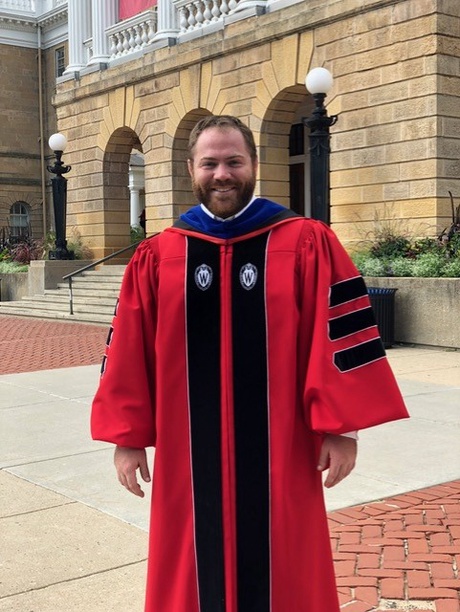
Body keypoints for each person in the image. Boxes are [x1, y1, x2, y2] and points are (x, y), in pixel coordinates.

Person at [91, 115, 409, 612]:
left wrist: (342, 428)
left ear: (254, 166)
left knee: (285, 568)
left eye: (233, 161)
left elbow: (336, 335)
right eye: (210, 163)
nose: (222, 174)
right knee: (191, 569)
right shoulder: (158, 255)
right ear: (191, 170)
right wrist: (127, 438)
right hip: (186, 456)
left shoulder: (306, 242)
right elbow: (129, 352)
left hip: (283, 450)